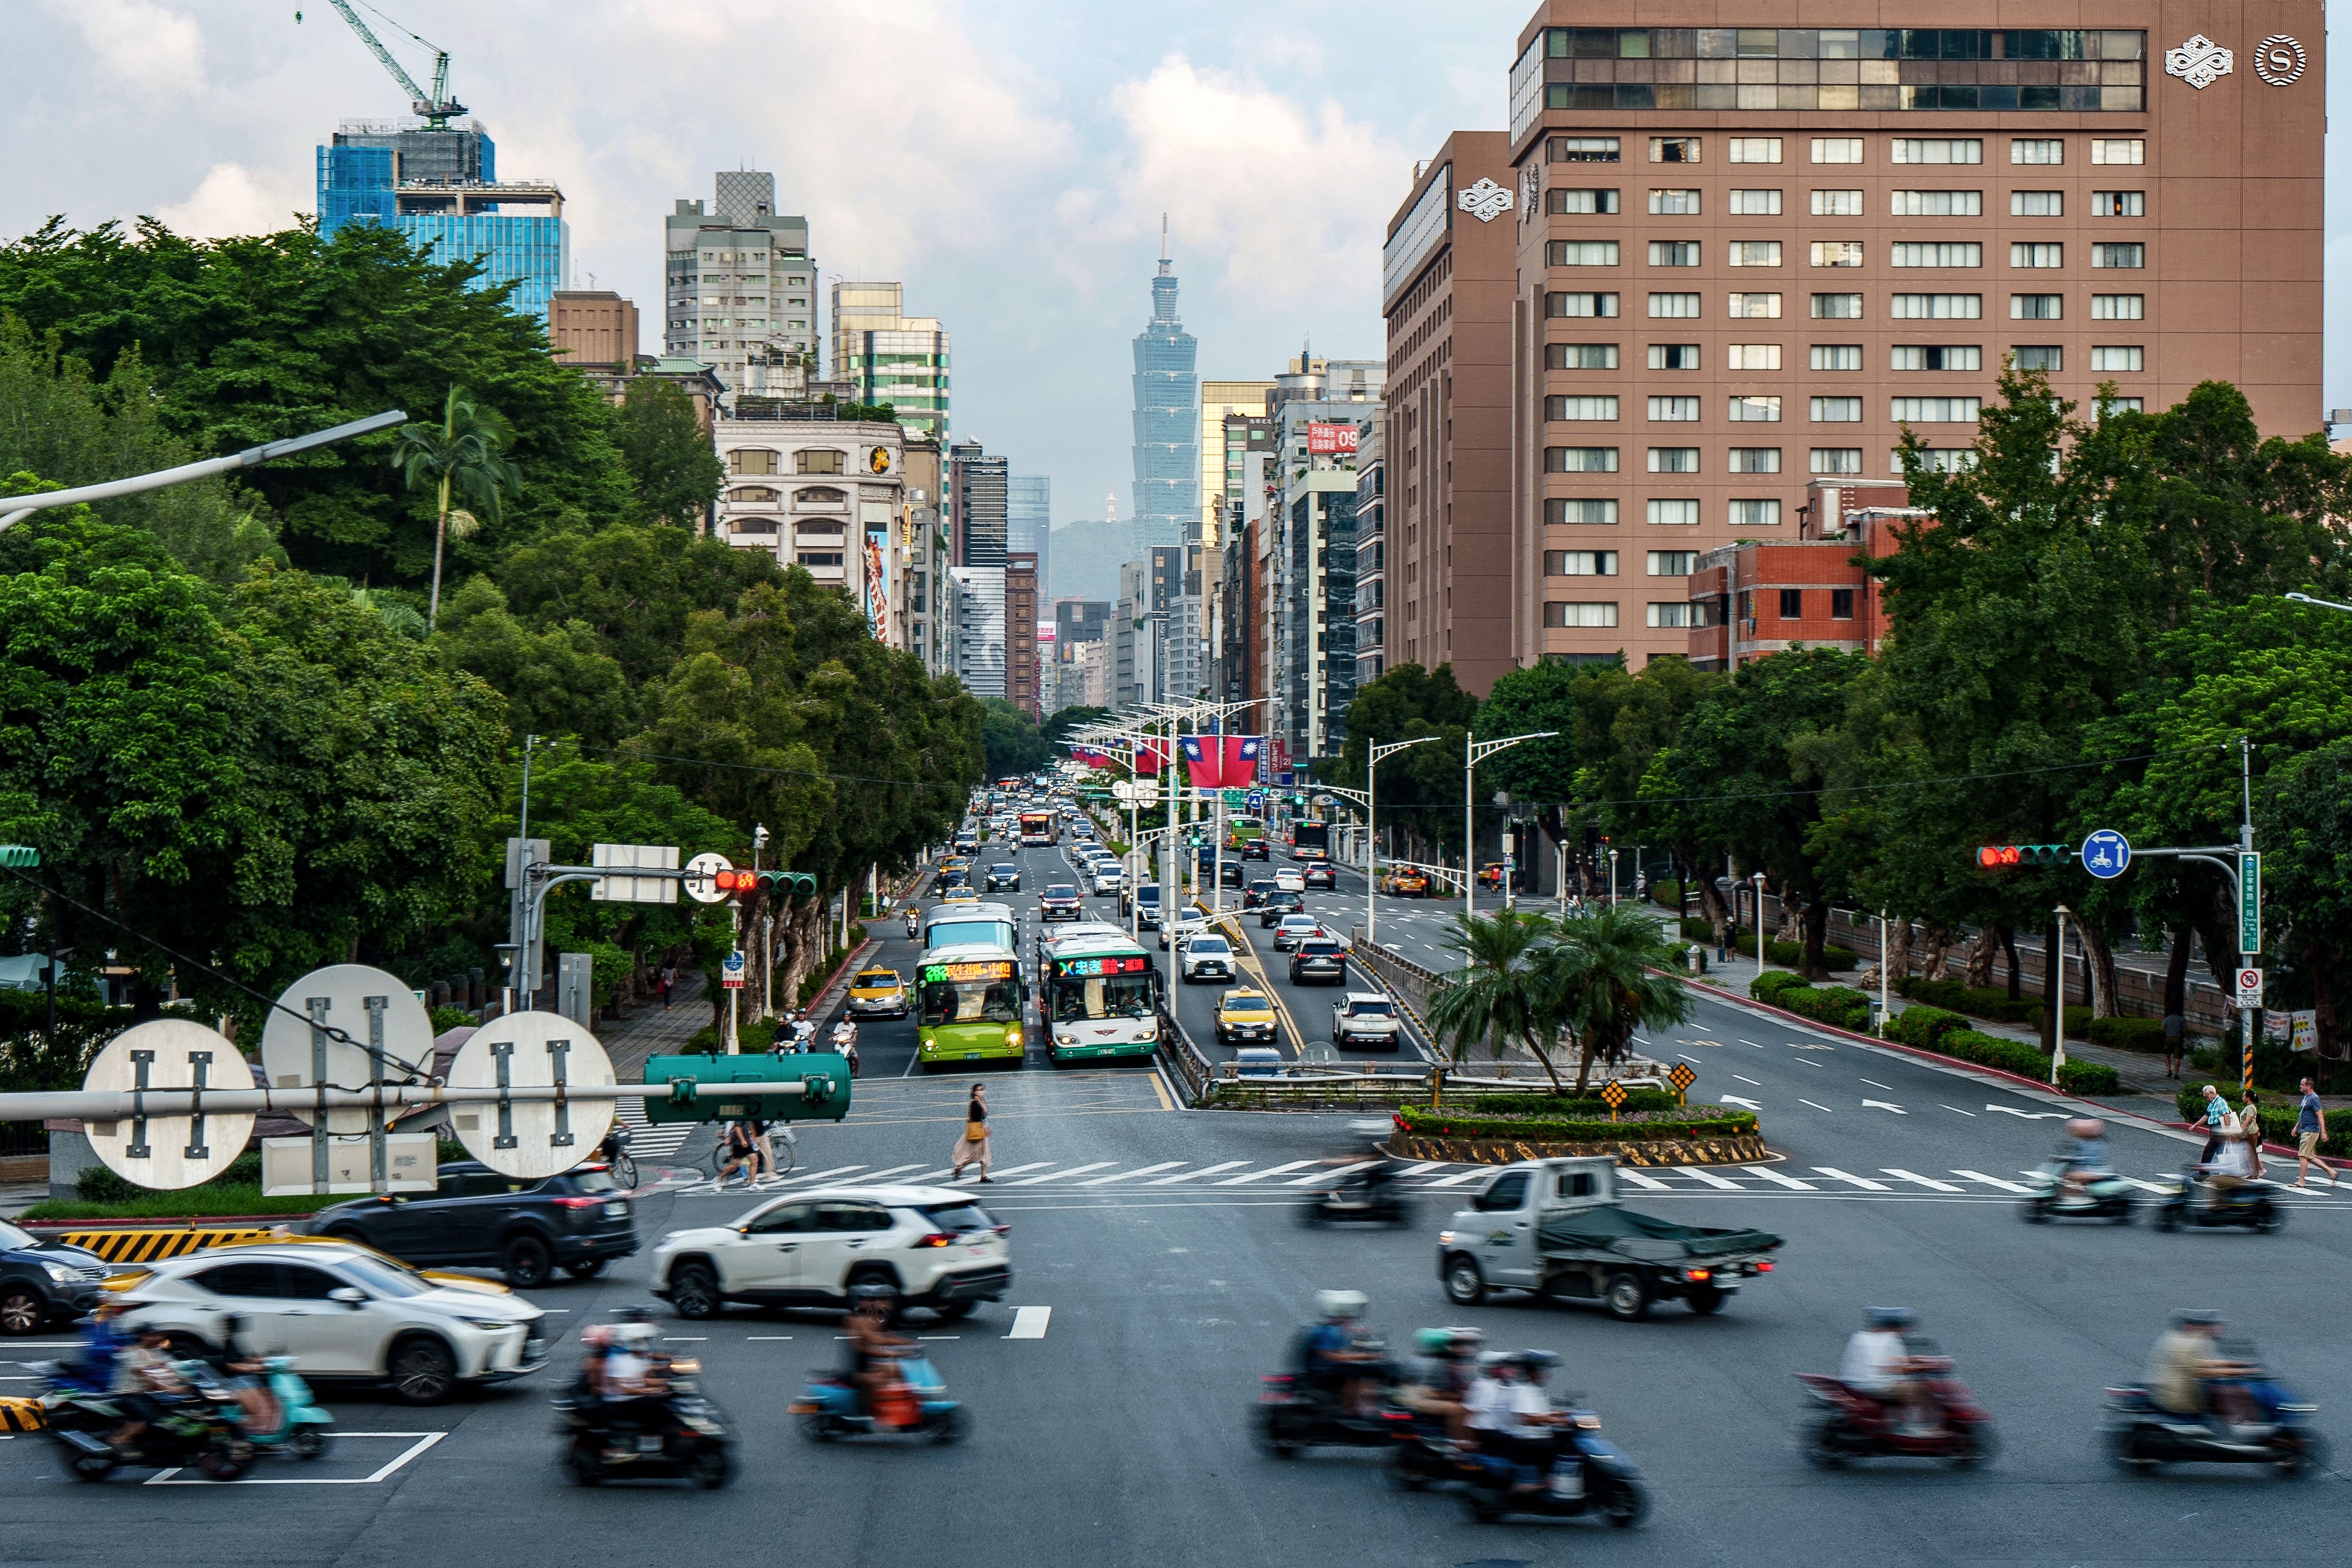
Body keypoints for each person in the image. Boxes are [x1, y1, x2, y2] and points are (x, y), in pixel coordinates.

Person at [2142, 1309, 2260, 1432]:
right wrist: (2240, 1372)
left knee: (2224, 1386)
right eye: (2213, 1325)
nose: (2219, 1328)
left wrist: (2237, 1365)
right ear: (2195, 1326)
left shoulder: (2182, 1338)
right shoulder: (2188, 1343)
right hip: (2179, 1398)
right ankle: (2243, 1427)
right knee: (2237, 1391)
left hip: (2173, 1389)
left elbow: (2202, 1363)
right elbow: (2198, 1371)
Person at [1840, 1306, 1937, 1438]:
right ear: (1895, 1326)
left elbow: (1890, 1360)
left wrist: (1915, 1360)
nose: (1906, 1331)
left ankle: (1896, 1421)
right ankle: (1916, 1428)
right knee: (1922, 1389)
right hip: (1873, 1384)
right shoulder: (1889, 1339)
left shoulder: (1860, 1337)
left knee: (1903, 1386)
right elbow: (1890, 1366)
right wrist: (1924, 1367)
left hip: (1852, 1383)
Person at [1296, 1289, 1381, 1418]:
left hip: (1328, 1368)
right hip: (1321, 1371)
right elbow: (1329, 1356)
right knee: (1355, 1373)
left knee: (1366, 1369)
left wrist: (1358, 1354)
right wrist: (1361, 1357)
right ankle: (1350, 1411)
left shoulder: (1333, 1329)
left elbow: (1339, 1352)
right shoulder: (1327, 1332)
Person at [844, 1284, 913, 1420]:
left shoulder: (873, 1319)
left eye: (871, 1300)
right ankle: (870, 1415)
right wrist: (894, 1353)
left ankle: (900, 1407)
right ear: (855, 1301)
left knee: (898, 1370)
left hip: (869, 1366)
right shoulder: (853, 1320)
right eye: (865, 1300)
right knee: (878, 1381)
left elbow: (888, 1337)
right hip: (857, 1371)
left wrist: (909, 1344)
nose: (870, 1303)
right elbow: (873, 1340)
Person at [212, 1314, 281, 1437]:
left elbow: (243, 1358)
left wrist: (262, 1360)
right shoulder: (227, 1342)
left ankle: (265, 1436)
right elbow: (231, 1365)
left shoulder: (234, 1340)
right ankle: (236, 1434)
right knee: (258, 1413)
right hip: (238, 1380)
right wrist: (255, 1368)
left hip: (245, 1378)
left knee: (270, 1401)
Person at [2056, 1117, 2112, 1203]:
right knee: (2067, 1175)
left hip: (2095, 1170)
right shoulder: (2083, 1142)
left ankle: (2076, 1198)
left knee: (2071, 1176)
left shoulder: (2094, 1143)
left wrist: (2075, 1159)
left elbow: (2091, 1158)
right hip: (2087, 1168)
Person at [2292, 1077, 2333, 1189]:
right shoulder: (2306, 1097)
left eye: (2302, 1084)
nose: (2300, 1086)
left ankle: (2302, 1180)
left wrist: (2323, 1132)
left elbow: (2320, 1115)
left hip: (2311, 1131)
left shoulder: (2314, 1099)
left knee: (2302, 1155)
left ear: (2309, 1086)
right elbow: (2303, 1114)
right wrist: (2296, 1127)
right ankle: (2331, 1172)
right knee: (2309, 1156)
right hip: (2305, 1129)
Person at [951, 1083, 993, 1182]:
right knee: (974, 1156)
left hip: (982, 1130)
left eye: (983, 1089)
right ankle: (959, 1168)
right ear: (974, 1092)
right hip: (978, 1131)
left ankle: (983, 1176)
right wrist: (985, 1129)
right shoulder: (975, 1104)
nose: (982, 1091)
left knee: (984, 1154)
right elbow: (980, 1116)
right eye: (979, 1090)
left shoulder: (981, 1101)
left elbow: (985, 1114)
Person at [714, 1119, 759, 1189]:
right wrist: (742, 1140)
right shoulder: (740, 1115)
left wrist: (753, 1136)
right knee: (735, 1165)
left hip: (747, 1142)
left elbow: (750, 1124)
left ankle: (753, 1183)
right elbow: (737, 1127)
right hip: (739, 1143)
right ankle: (720, 1177)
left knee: (754, 1159)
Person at [2196, 1085, 2228, 1164]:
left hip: (2219, 1130)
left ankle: (2204, 1171)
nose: (2206, 1099)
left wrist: (2228, 1130)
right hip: (2214, 1129)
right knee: (2220, 1151)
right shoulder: (2212, 1104)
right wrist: (2195, 1125)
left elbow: (2226, 1115)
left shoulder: (2221, 1101)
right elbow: (2206, 1116)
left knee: (2208, 1150)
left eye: (2207, 1097)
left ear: (2212, 1093)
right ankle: (2228, 1168)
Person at [2238, 1091, 2266, 1181]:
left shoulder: (2251, 1108)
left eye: (2244, 1096)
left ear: (2248, 1098)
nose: (2243, 1098)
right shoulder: (2249, 1107)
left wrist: (2241, 1129)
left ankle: (2255, 1173)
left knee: (2251, 1152)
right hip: (2248, 1133)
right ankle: (2256, 1171)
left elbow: (2248, 1120)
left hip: (2251, 1132)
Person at [2161, 1012, 2186, 1080]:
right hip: (2178, 1038)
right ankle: (2176, 1074)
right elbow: (2186, 1029)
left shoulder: (2166, 1019)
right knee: (2177, 1057)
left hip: (2169, 1037)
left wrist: (2166, 1034)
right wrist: (2182, 1035)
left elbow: (2163, 1029)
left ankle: (2169, 1070)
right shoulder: (2182, 1019)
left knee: (2167, 1055)